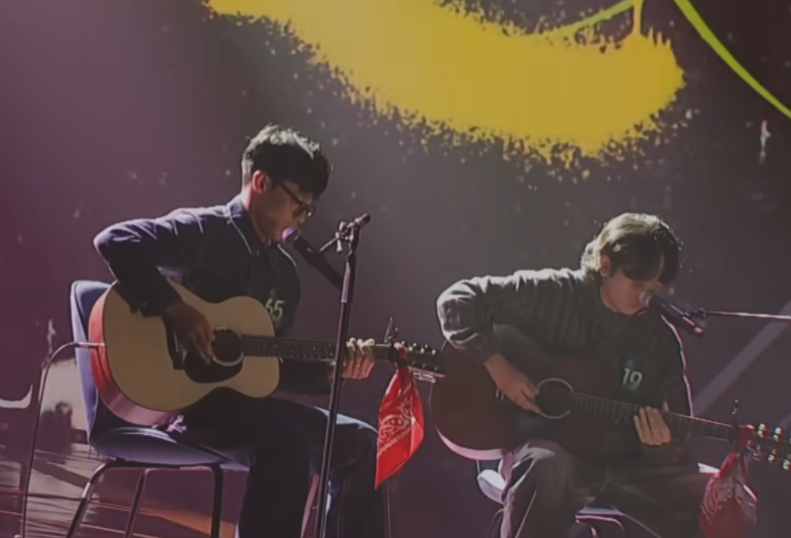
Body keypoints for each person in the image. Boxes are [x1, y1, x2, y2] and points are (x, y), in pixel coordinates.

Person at [74, 125, 386, 538]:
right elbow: (116, 240)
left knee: (363, 444)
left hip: (249, 411)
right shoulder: (205, 231)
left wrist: (333, 371)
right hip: (191, 409)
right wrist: (175, 309)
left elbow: (269, 370)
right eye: (298, 205)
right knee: (285, 444)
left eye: (308, 212)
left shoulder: (285, 275)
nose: (301, 219)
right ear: (261, 182)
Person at [435, 213, 755, 538]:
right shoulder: (555, 293)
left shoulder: (660, 341)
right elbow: (457, 301)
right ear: (605, 264)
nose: (644, 299)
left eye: (654, 291)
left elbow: (679, 439)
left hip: (626, 469)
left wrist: (661, 446)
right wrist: (498, 366)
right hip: (551, 459)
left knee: (726, 501)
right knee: (547, 464)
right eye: (637, 285)